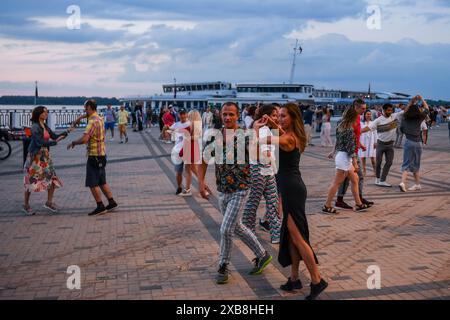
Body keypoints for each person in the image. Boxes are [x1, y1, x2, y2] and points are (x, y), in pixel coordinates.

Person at [253, 103, 328, 300]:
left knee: (299, 238)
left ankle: (317, 280)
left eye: (284, 116)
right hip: (290, 188)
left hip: (292, 190)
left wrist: (256, 128)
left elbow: (266, 139)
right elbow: (279, 131)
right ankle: (294, 278)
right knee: (291, 238)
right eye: (279, 116)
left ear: (293, 118)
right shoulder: (291, 134)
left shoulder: (288, 138)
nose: (280, 119)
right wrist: (271, 122)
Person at [198, 102, 272, 285]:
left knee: (225, 229)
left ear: (237, 115)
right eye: (225, 114)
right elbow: (204, 160)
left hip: (241, 188)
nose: (227, 117)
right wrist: (200, 182)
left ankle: (223, 265)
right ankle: (262, 255)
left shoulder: (245, 136)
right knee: (236, 226)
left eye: (231, 114)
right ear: (220, 115)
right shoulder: (214, 136)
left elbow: (258, 155)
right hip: (222, 190)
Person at [68, 99, 118, 216]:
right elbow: (88, 116)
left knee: (92, 183)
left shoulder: (92, 122)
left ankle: (100, 206)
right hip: (102, 154)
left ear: (90, 107)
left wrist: (74, 142)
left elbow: (85, 139)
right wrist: (79, 119)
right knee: (102, 181)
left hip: (94, 155)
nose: (84, 110)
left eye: (85, 108)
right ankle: (111, 202)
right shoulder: (99, 118)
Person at [241, 104, 281, 244]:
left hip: (267, 170)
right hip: (259, 169)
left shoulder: (267, 129)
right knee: (254, 203)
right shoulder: (262, 129)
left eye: (278, 115)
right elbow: (255, 150)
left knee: (272, 203)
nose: (277, 118)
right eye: (274, 115)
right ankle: (246, 230)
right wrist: (266, 154)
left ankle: (276, 234)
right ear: (266, 115)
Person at [23, 106, 69, 215]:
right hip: (36, 156)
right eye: (44, 112)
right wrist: (55, 142)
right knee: (31, 180)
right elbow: (39, 142)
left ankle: (49, 202)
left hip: (45, 156)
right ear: (39, 114)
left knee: (52, 178)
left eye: (47, 112)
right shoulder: (35, 127)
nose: (46, 113)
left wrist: (67, 132)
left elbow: (54, 136)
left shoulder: (44, 125)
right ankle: (26, 205)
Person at [323, 107, 369, 214]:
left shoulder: (341, 125)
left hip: (342, 156)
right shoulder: (349, 129)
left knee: (355, 179)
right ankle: (327, 205)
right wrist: (354, 162)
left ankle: (358, 204)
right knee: (337, 183)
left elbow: (338, 140)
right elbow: (350, 148)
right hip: (344, 158)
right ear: (353, 116)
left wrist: (333, 151)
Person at [334, 99, 374, 210]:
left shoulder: (357, 118)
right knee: (356, 177)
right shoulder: (350, 119)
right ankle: (349, 200)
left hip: (353, 151)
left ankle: (352, 200)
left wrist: (360, 144)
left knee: (352, 178)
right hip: (350, 153)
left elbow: (354, 136)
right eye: (363, 108)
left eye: (365, 108)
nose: (364, 111)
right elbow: (344, 136)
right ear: (356, 107)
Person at [362, 103, 403, 187]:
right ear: (383, 110)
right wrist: (357, 132)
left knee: (389, 162)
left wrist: (413, 101)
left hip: (390, 144)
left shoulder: (394, 116)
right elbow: (368, 128)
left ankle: (382, 180)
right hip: (380, 143)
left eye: (391, 110)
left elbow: (405, 111)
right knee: (378, 162)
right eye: (388, 110)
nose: (390, 112)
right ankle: (377, 179)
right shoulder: (378, 120)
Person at [399, 95, 429, 192]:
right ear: (417, 111)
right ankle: (417, 184)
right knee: (416, 164)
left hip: (409, 142)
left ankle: (403, 183)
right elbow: (427, 108)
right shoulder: (419, 119)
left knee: (406, 164)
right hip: (418, 143)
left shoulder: (404, 118)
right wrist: (421, 99)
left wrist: (411, 101)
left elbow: (405, 111)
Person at [178, 109, 202, 197]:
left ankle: (202, 188)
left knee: (190, 170)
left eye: (189, 115)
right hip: (194, 148)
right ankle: (191, 189)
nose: (187, 115)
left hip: (189, 149)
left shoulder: (191, 126)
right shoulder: (197, 126)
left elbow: (187, 139)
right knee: (192, 170)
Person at [168, 109, 191, 195]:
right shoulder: (175, 125)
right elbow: (168, 133)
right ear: (178, 115)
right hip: (177, 151)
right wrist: (166, 130)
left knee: (188, 170)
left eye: (184, 114)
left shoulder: (190, 123)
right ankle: (179, 187)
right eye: (180, 114)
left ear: (186, 114)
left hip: (188, 149)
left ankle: (188, 188)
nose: (182, 116)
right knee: (178, 171)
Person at [359, 110, 377, 177]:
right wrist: (359, 143)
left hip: (371, 140)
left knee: (372, 157)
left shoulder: (373, 123)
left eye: (369, 114)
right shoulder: (361, 123)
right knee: (363, 157)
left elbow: (375, 133)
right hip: (363, 140)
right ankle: (364, 171)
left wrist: (375, 142)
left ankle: (375, 171)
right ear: (364, 115)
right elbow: (359, 133)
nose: (368, 115)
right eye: (367, 114)